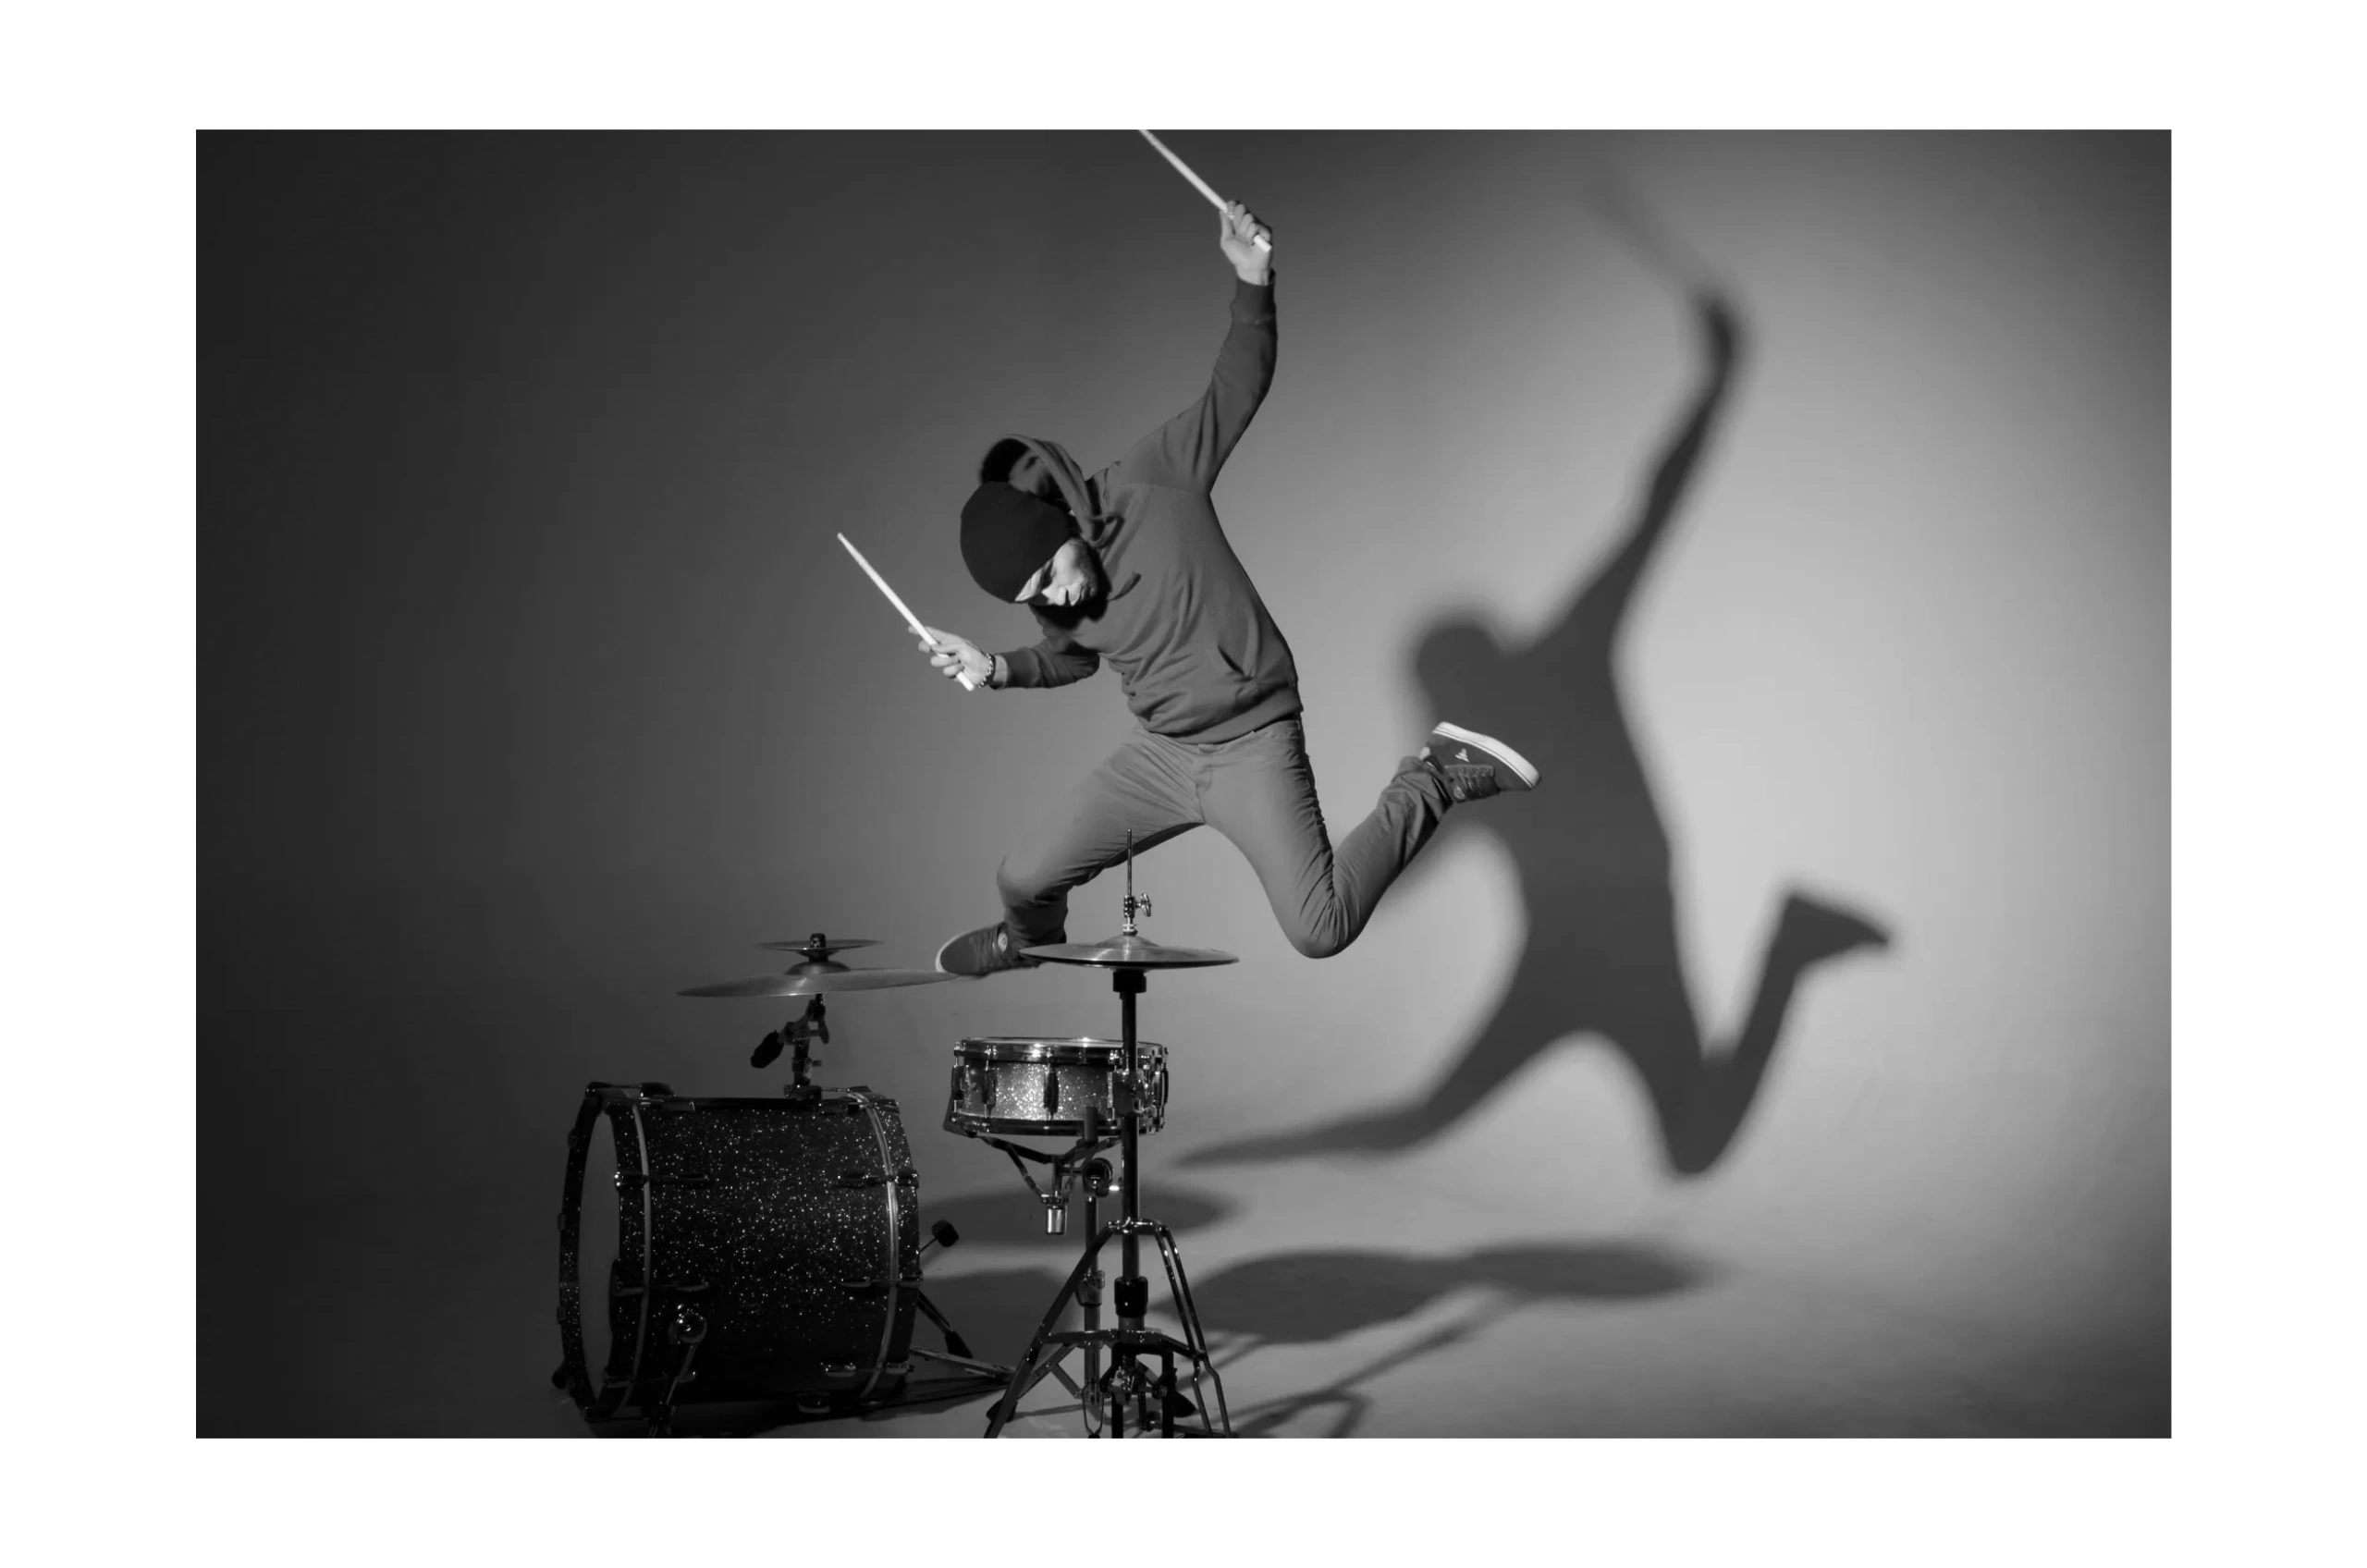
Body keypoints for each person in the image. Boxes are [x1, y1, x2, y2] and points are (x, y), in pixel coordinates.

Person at [919, 201, 1541, 978]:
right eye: (1034, 598)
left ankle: (1435, 777)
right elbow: (1072, 658)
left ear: (1060, 528)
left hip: (1255, 747)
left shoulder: (1153, 481)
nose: (1059, 599)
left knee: (1321, 928)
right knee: (1021, 878)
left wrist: (1252, 281)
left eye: (1052, 574)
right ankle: (1025, 942)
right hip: (1162, 756)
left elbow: (1235, 389)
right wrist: (996, 666)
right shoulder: (1056, 602)